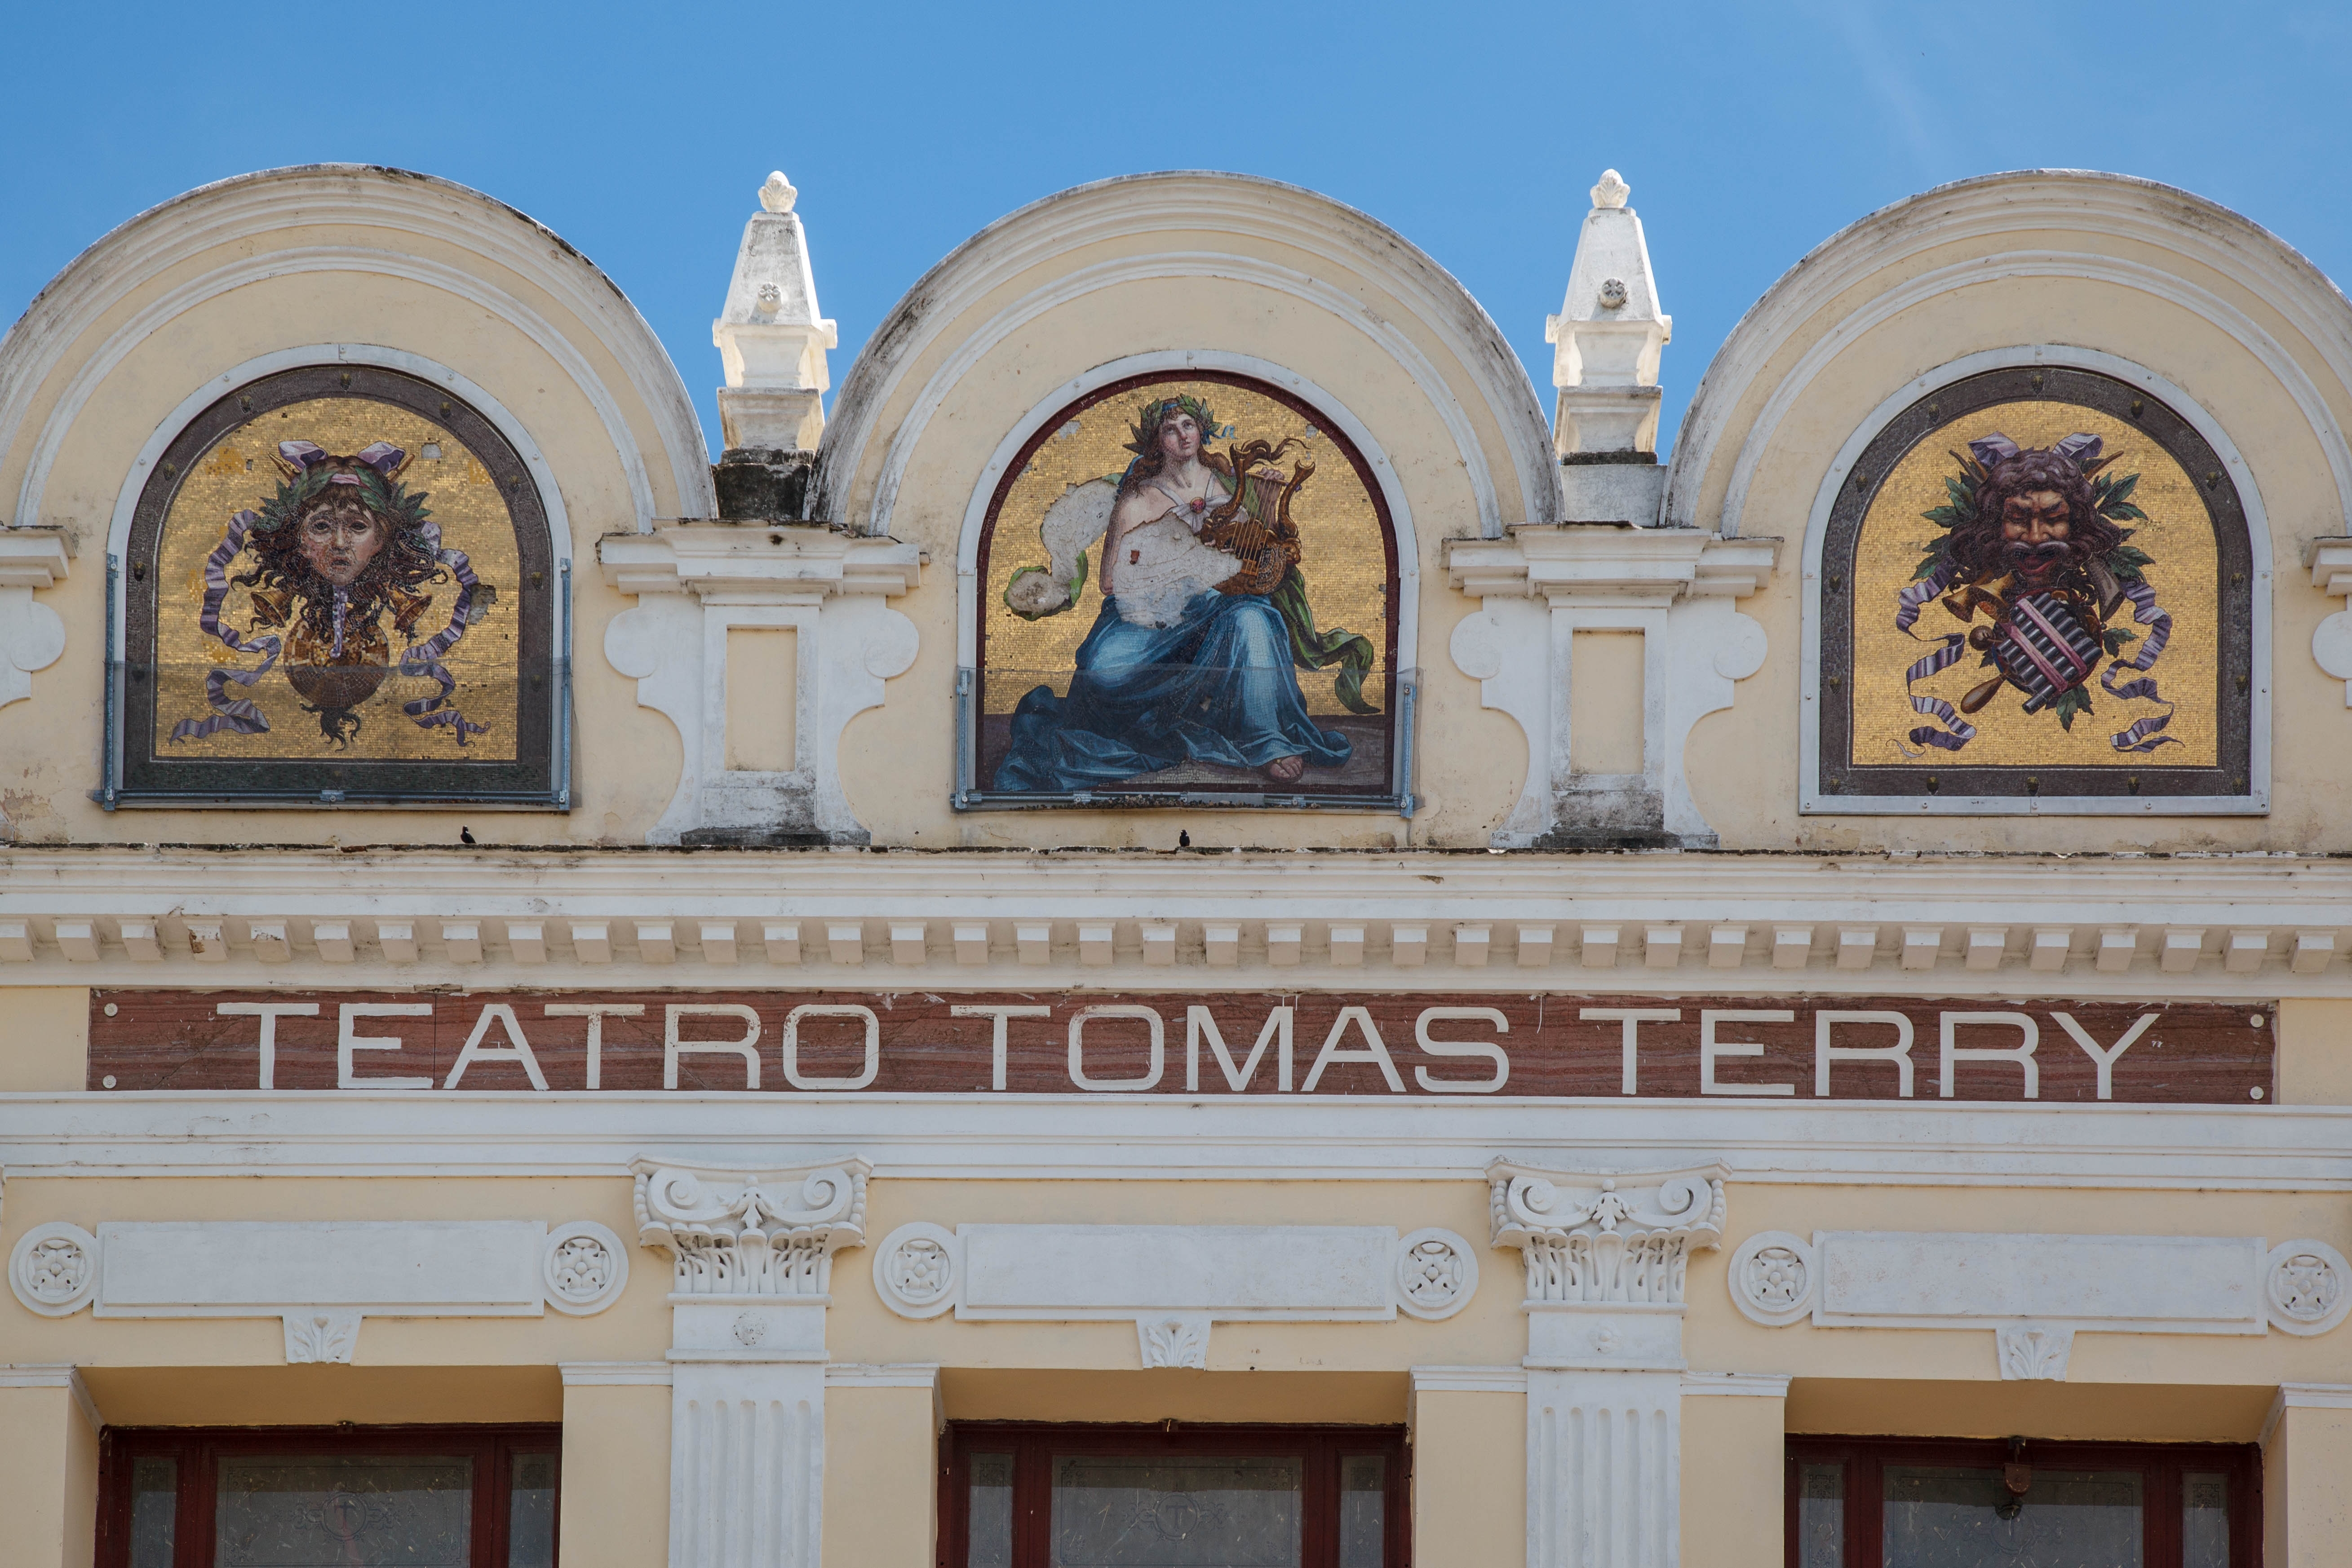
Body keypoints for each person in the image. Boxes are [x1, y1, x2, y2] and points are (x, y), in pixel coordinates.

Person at [994, 395, 1351, 791]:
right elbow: (1109, 582)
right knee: (1103, 670)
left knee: (1254, 618)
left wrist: (1267, 502)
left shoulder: (1231, 487)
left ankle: (1268, 740)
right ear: (1156, 441)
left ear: (1201, 431)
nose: (1181, 435)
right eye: (1170, 429)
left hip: (1219, 606)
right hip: (1153, 613)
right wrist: (1166, 547)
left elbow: (1258, 556)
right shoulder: (1137, 499)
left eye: (1188, 425)